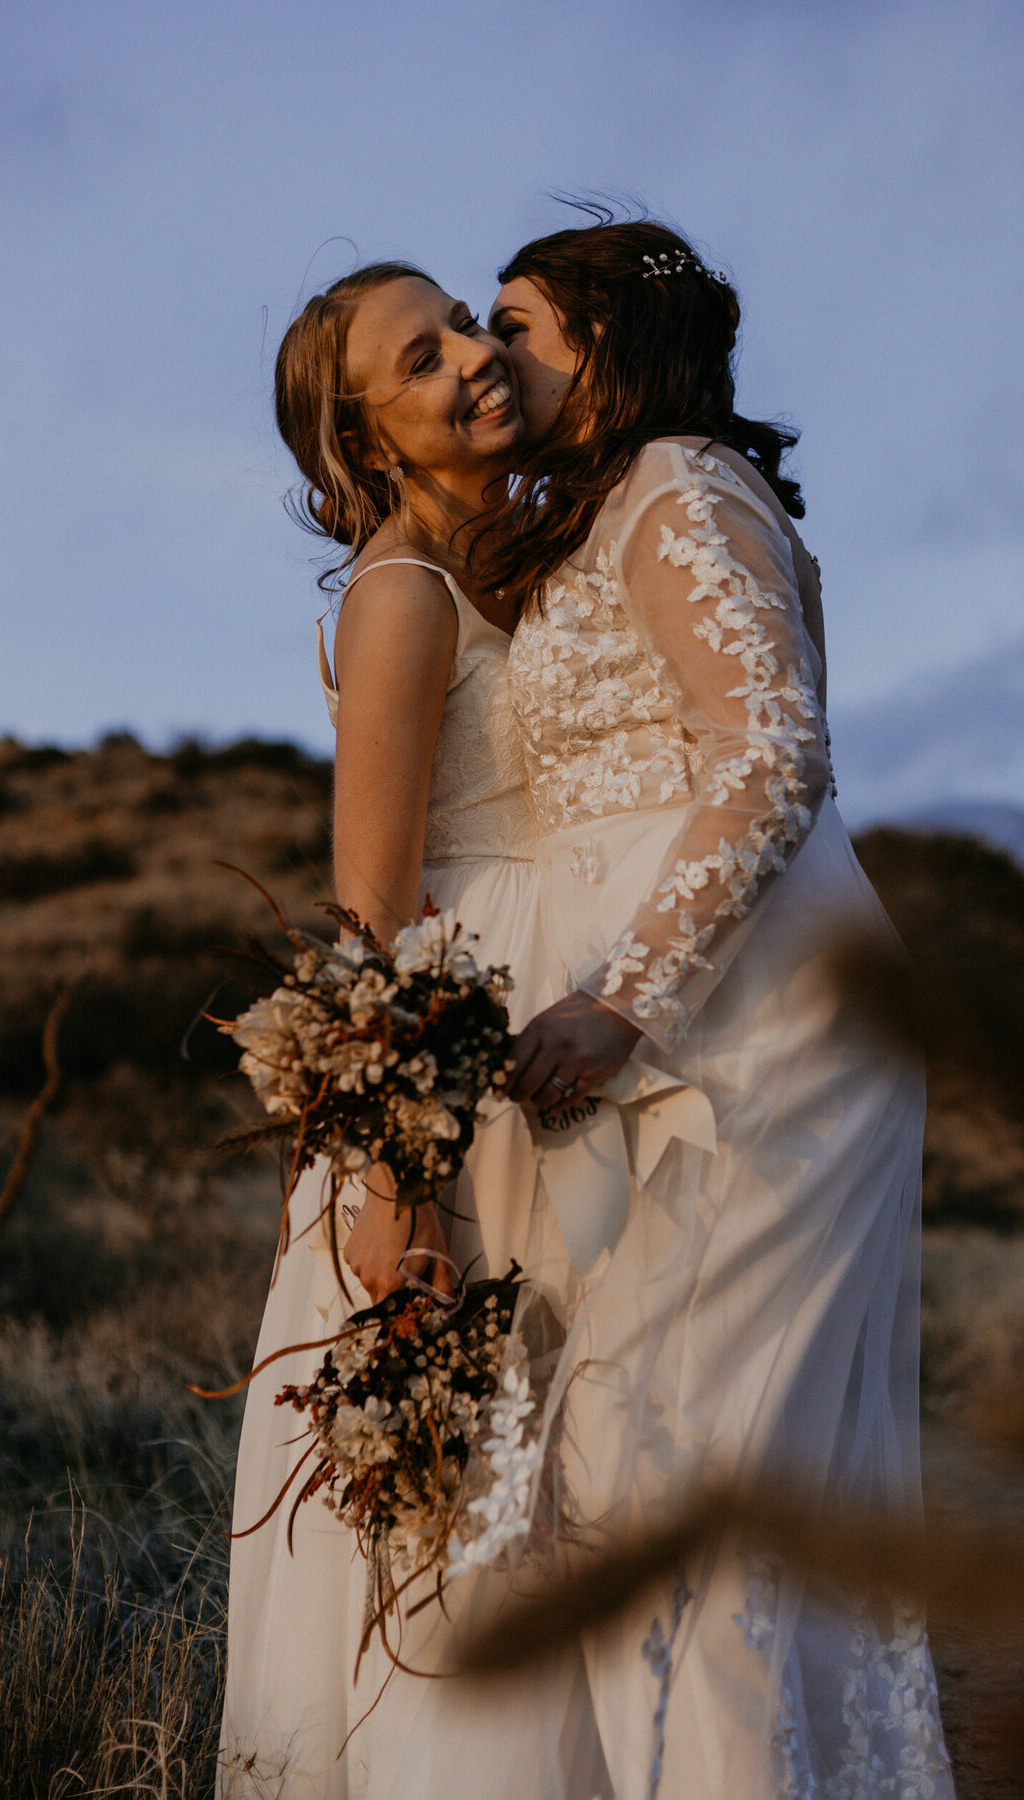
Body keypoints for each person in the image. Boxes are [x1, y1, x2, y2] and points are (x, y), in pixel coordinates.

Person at [478, 219, 956, 1799]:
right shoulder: (614, 508)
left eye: (520, 327)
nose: (494, 358)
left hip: (752, 1039)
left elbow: (772, 752)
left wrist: (624, 999)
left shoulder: (684, 482)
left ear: (610, 346)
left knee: (657, 1471)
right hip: (676, 1035)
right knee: (654, 1477)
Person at [217, 263, 597, 1797]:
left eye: (466, 327)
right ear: (364, 444)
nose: (472, 363)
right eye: (421, 359)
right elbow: (372, 906)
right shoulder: (400, 593)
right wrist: (399, 1181)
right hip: (453, 1097)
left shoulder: (503, 561)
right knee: (463, 1513)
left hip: (539, 1061)